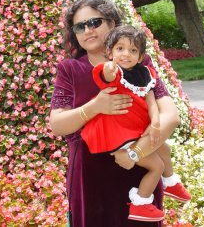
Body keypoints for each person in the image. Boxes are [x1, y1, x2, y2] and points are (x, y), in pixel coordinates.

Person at [50, 0, 183, 227]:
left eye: (95, 22)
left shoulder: (140, 66)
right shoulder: (70, 69)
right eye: (80, 26)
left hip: (140, 175)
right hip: (89, 179)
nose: (88, 31)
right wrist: (95, 107)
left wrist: (134, 154)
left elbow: (170, 117)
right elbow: (57, 124)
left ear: (112, 24)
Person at [80, 25, 191, 222]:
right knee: (156, 165)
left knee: (164, 149)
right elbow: (106, 75)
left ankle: (170, 182)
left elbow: (151, 101)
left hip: (135, 130)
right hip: (118, 133)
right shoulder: (113, 73)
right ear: (109, 52)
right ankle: (141, 203)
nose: (126, 54)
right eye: (119, 49)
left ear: (140, 57)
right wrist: (109, 68)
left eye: (133, 50)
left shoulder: (144, 74)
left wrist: (156, 123)